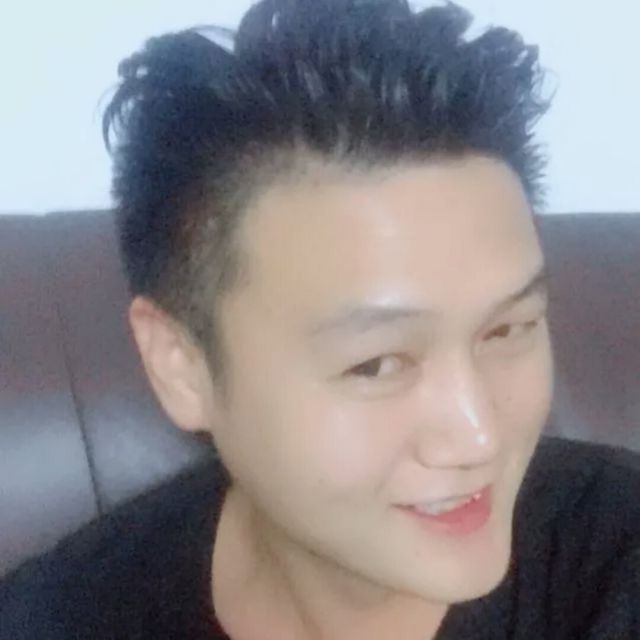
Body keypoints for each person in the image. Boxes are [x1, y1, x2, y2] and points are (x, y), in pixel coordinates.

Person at [1, 0, 639, 638]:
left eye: (506, 330)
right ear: (182, 367)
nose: (480, 438)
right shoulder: (58, 618)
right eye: (377, 364)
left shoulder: (614, 567)